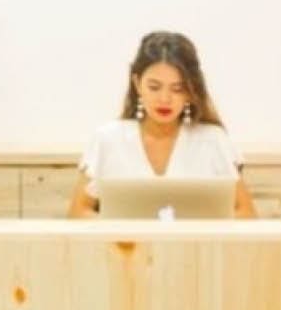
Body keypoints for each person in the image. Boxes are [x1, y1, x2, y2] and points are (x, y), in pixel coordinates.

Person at [68, 31, 256, 218]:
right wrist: (124, 232)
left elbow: (246, 213)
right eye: (154, 87)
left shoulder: (213, 140)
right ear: (137, 84)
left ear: (191, 91)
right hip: (126, 246)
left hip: (195, 246)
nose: (164, 99)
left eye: (177, 89)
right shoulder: (108, 139)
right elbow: (78, 213)